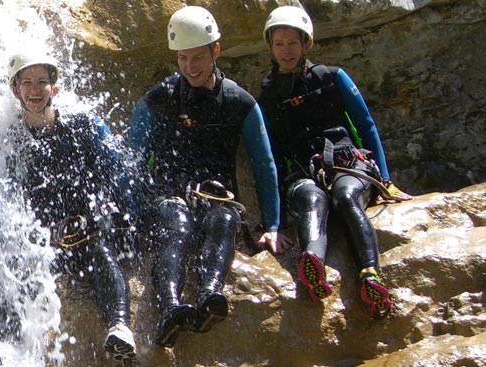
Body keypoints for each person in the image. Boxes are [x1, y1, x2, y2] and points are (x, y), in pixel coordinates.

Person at [127, 6, 282, 348]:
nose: (189, 67)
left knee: (224, 221)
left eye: (197, 58)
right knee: (178, 226)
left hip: (216, 196)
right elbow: (133, 162)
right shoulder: (158, 100)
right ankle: (170, 308)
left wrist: (272, 225)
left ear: (215, 50)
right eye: (182, 58)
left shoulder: (238, 101)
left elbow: (264, 162)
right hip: (167, 196)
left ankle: (210, 295)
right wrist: (132, 213)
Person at [257, 6, 413, 318]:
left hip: (347, 164)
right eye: (279, 44)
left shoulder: (332, 77)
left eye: (292, 43)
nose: (286, 51)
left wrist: (385, 180)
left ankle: (370, 275)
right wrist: (273, 223)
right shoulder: (269, 96)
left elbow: (366, 125)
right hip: (304, 172)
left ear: (306, 44)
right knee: (313, 199)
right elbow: (269, 158)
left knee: (344, 197)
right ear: (271, 48)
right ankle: (312, 262)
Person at [3, 51, 137, 361]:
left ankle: (119, 325)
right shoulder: (13, 140)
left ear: (55, 88)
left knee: (101, 252)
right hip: (45, 242)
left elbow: (114, 173)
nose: (35, 90)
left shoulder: (82, 126)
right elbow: (11, 199)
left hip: (86, 229)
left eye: (42, 82)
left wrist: (121, 219)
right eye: (27, 83)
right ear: (15, 90)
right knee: (18, 273)